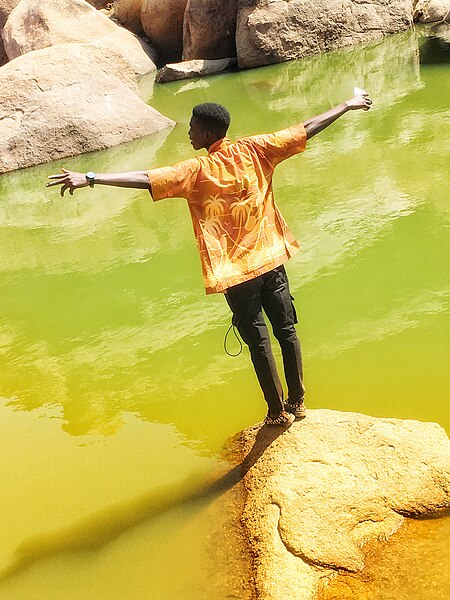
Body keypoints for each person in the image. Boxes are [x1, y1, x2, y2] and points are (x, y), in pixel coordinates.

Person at [47, 92, 372, 428]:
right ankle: (298, 402)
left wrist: (91, 178)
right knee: (286, 330)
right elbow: (306, 127)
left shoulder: (197, 169)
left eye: (192, 128)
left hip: (235, 272)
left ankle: (278, 413)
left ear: (207, 135)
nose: (188, 133)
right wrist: (347, 104)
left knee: (259, 342)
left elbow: (147, 179)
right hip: (271, 260)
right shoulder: (256, 148)